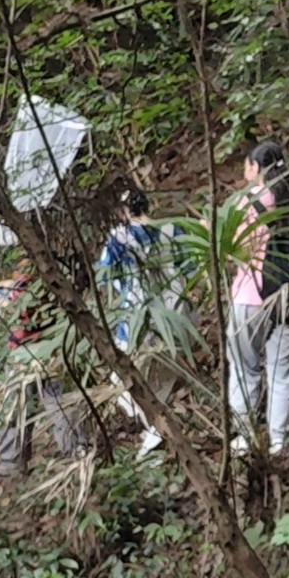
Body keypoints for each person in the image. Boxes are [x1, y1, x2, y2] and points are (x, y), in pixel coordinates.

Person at [225, 139, 289, 457]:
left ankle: (243, 438)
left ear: (255, 168)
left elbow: (235, 252)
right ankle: (278, 441)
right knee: (283, 370)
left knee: (244, 368)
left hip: (251, 297)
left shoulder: (244, 204)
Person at [0, 231, 93, 474]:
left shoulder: (27, 274)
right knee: (60, 404)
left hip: (27, 350)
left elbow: (7, 310)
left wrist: (3, 293)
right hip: (56, 346)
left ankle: (11, 460)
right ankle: (77, 451)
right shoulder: (56, 267)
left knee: (18, 406)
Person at [95, 187, 170, 456]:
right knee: (159, 374)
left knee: (121, 379)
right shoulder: (164, 229)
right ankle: (159, 426)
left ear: (125, 210)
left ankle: (156, 428)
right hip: (164, 311)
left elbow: (102, 273)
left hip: (133, 316)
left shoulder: (119, 237)